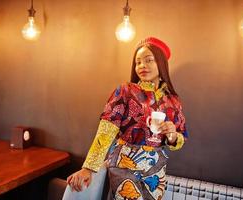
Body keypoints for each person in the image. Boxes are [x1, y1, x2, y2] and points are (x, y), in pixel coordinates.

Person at [64, 37, 188, 200]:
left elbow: (179, 139)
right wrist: (89, 168)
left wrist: (172, 135)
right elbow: (106, 130)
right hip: (124, 163)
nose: (142, 66)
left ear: (161, 63)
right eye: (138, 62)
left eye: (148, 60)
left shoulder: (173, 100)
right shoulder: (125, 91)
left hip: (156, 170)